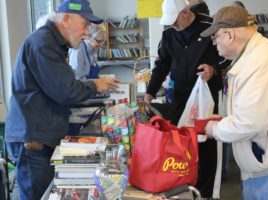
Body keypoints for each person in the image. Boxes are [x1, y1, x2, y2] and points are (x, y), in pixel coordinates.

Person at [4, 0, 119, 199]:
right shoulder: (43, 44)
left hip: (41, 134)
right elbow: (65, 91)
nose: (86, 32)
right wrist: (95, 85)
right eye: (84, 25)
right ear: (66, 19)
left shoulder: (54, 44)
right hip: (33, 139)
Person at [201, 6, 268, 199]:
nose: (214, 43)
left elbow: (250, 122)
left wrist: (215, 129)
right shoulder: (257, 55)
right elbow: (254, 110)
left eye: (215, 37)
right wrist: (224, 120)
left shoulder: (261, 62)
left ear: (229, 34)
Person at [144, 0, 228, 198]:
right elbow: (161, 65)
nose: (172, 25)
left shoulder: (211, 26)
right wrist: (149, 92)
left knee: (205, 142)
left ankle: (206, 192)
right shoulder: (169, 34)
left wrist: (213, 69)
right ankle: (184, 185)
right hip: (180, 95)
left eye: (174, 20)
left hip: (206, 95)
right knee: (182, 141)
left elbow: (228, 57)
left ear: (185, 13)